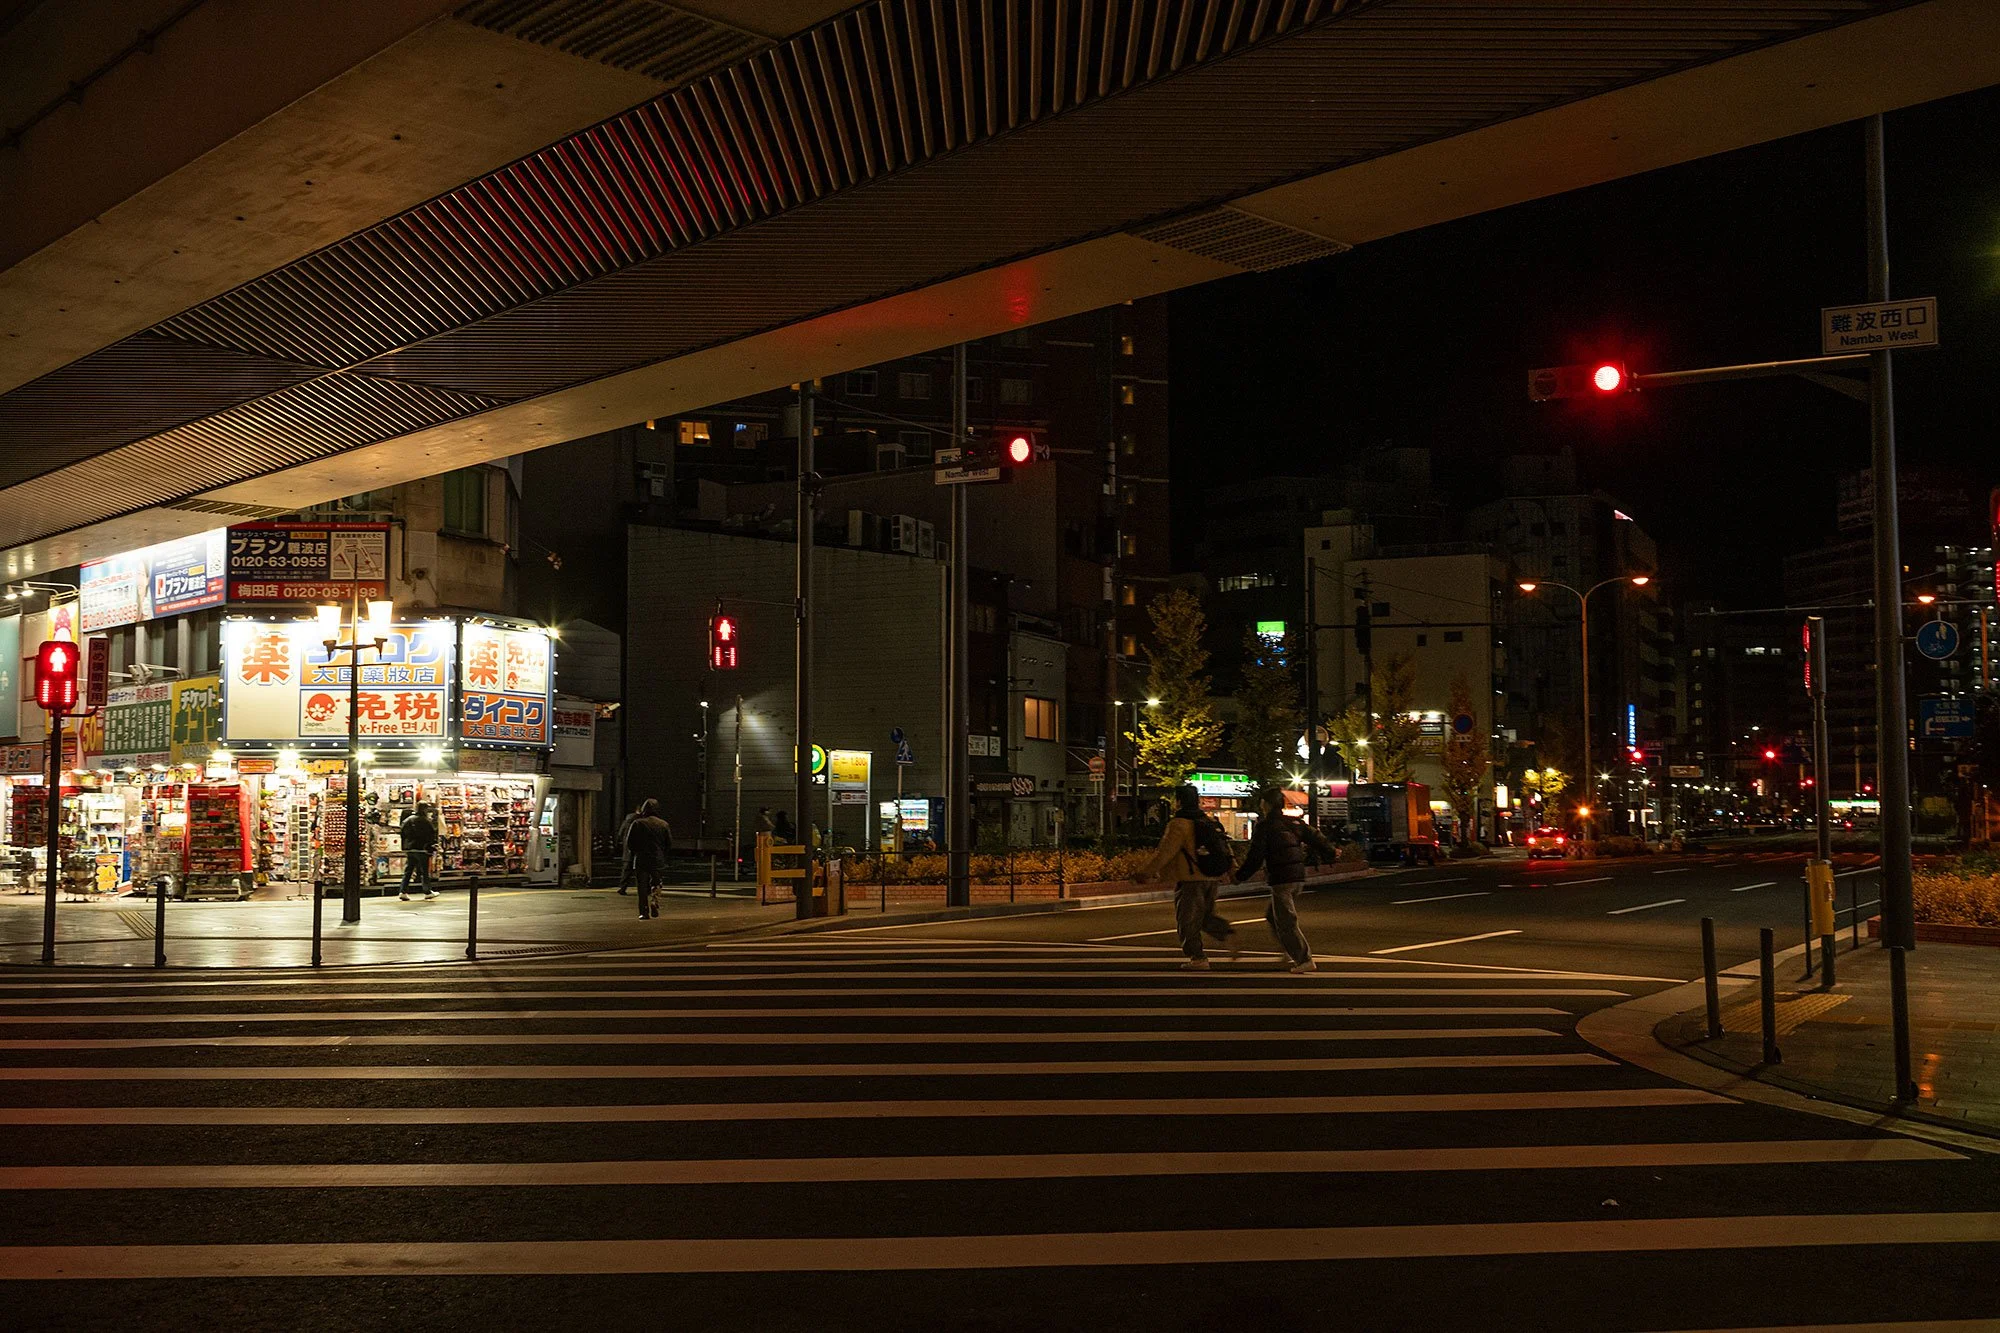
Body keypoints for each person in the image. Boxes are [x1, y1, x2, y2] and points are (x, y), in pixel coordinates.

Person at [1231, 788, 1336, 974]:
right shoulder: (1293, 822)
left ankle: (1304, 959)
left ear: (1267, 804)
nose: (1261, 805)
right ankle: (1289, 950)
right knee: (1273, 916)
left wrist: (1239, 877)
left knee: (1286, 922)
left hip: (1282, 878)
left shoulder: (1265, 826)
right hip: (1297, 877)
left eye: (1263, 801)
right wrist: (1331, 852)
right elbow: (1316, 837)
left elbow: (1255, 857)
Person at [1135, 783, 1237, 971]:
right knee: (1205, 916)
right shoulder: (1208, 821)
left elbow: (1164, 853)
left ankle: (1197, 957)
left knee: (1187, 920)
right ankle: (1226, 933)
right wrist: (1232, 869)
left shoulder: (1179, 824)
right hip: (1211, 876)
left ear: (1179, 801)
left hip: (1191, 879)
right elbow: (1225, 848)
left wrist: (1145, 872)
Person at [625, 799, 673, 919]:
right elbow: (669, 844)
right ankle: (655, 901)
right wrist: (662, 854)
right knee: (657, 882)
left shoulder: (637, 823)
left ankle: (643, 912)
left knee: (641, 887)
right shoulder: (664, 824)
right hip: (657, 859)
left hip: (641, 859)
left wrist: (635, 852)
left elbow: (629, 843)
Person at [398, 803, 440, 901]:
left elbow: (402, 832)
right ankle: (427, 891)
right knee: (424, 871)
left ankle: (402, 891)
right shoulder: (426, 821)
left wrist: (406, 845)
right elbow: (431, 835)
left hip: (410, 848)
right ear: (424, 809)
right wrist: (431, 846)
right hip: (422, 849)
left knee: (408, 870)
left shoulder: (408, 820)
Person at [615, 802, 644, 895]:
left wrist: (621, 843)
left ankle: (622, 888)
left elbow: (620, 833)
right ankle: (643, 889)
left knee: (626, 870)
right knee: (641, 871)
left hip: (627, 849)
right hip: (639, 850)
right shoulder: (642, 821)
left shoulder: (627, 820)